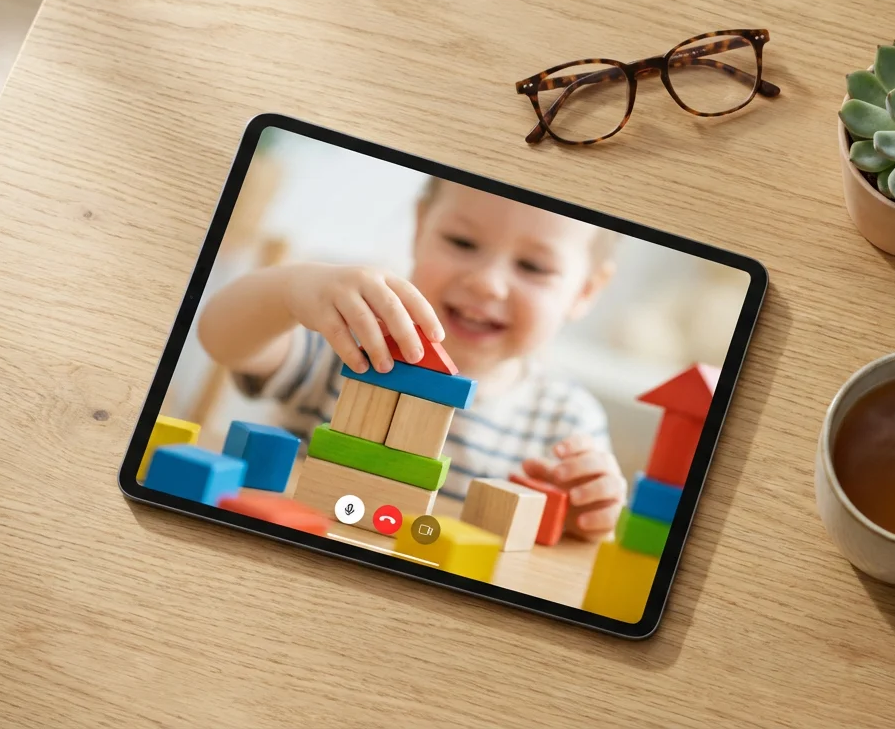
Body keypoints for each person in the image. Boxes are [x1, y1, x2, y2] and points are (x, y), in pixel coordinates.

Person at [197, 178, 625, 539]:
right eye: (461, 242)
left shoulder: (568, 420)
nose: (486, 283)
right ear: (420, 228)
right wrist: (291, 290)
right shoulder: (349, 341)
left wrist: (585, 513)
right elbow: (222, 340)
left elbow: (583, 536)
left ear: (586, 290)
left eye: (533, 266)